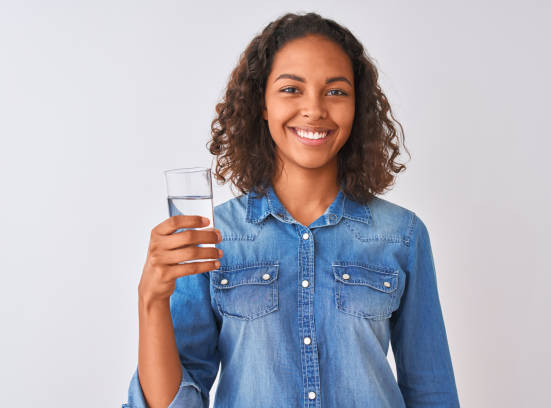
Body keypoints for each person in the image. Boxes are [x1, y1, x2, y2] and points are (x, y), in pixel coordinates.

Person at [123, 11, 460, 408]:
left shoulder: (401, 235)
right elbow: (176, 402)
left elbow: (432, 392)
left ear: (358, 106)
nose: (315, 109)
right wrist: (151, 299)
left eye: (336, 91)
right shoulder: (215, 236)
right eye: (291, 89)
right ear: (261, 103)